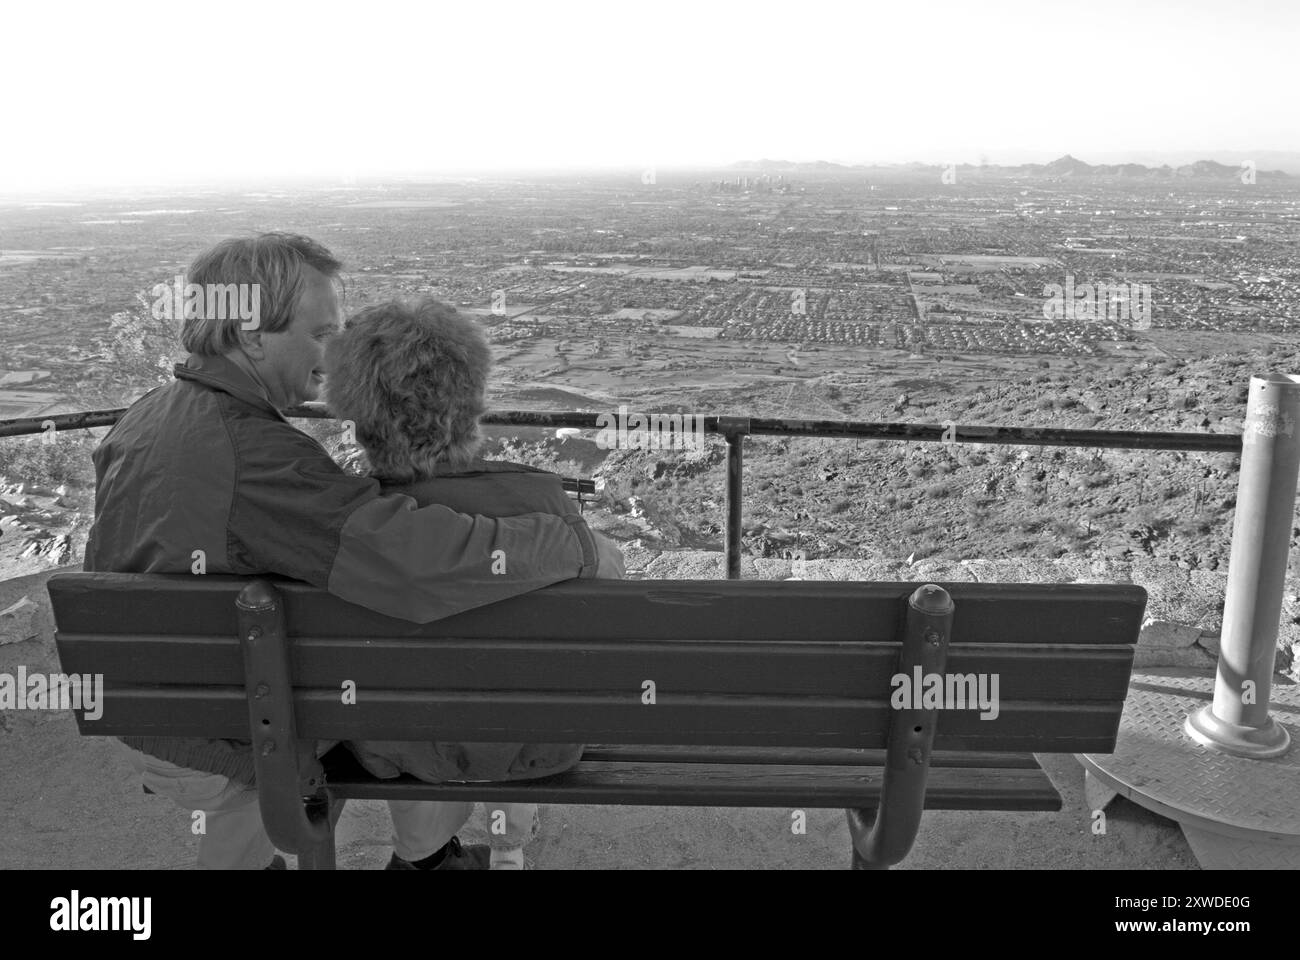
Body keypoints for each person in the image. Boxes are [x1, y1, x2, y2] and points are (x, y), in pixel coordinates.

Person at [83, 233, 622, 869]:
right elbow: (417, 565)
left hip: (157, 702)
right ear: (252, 333)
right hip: (224, 732)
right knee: (422, 677)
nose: (334, 356)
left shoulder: (150, 415)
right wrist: (575, 542)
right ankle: (426, 856)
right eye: (321, 335)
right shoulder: (255, 458)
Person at [323, 296, 617, 869]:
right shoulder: (543, 503)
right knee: (521, 703)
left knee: (409, 710)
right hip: (535, 746)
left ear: (355, 414)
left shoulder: (347, 518)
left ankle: (426, 855)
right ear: (471, 401)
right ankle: (508, 853)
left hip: (393, 746)